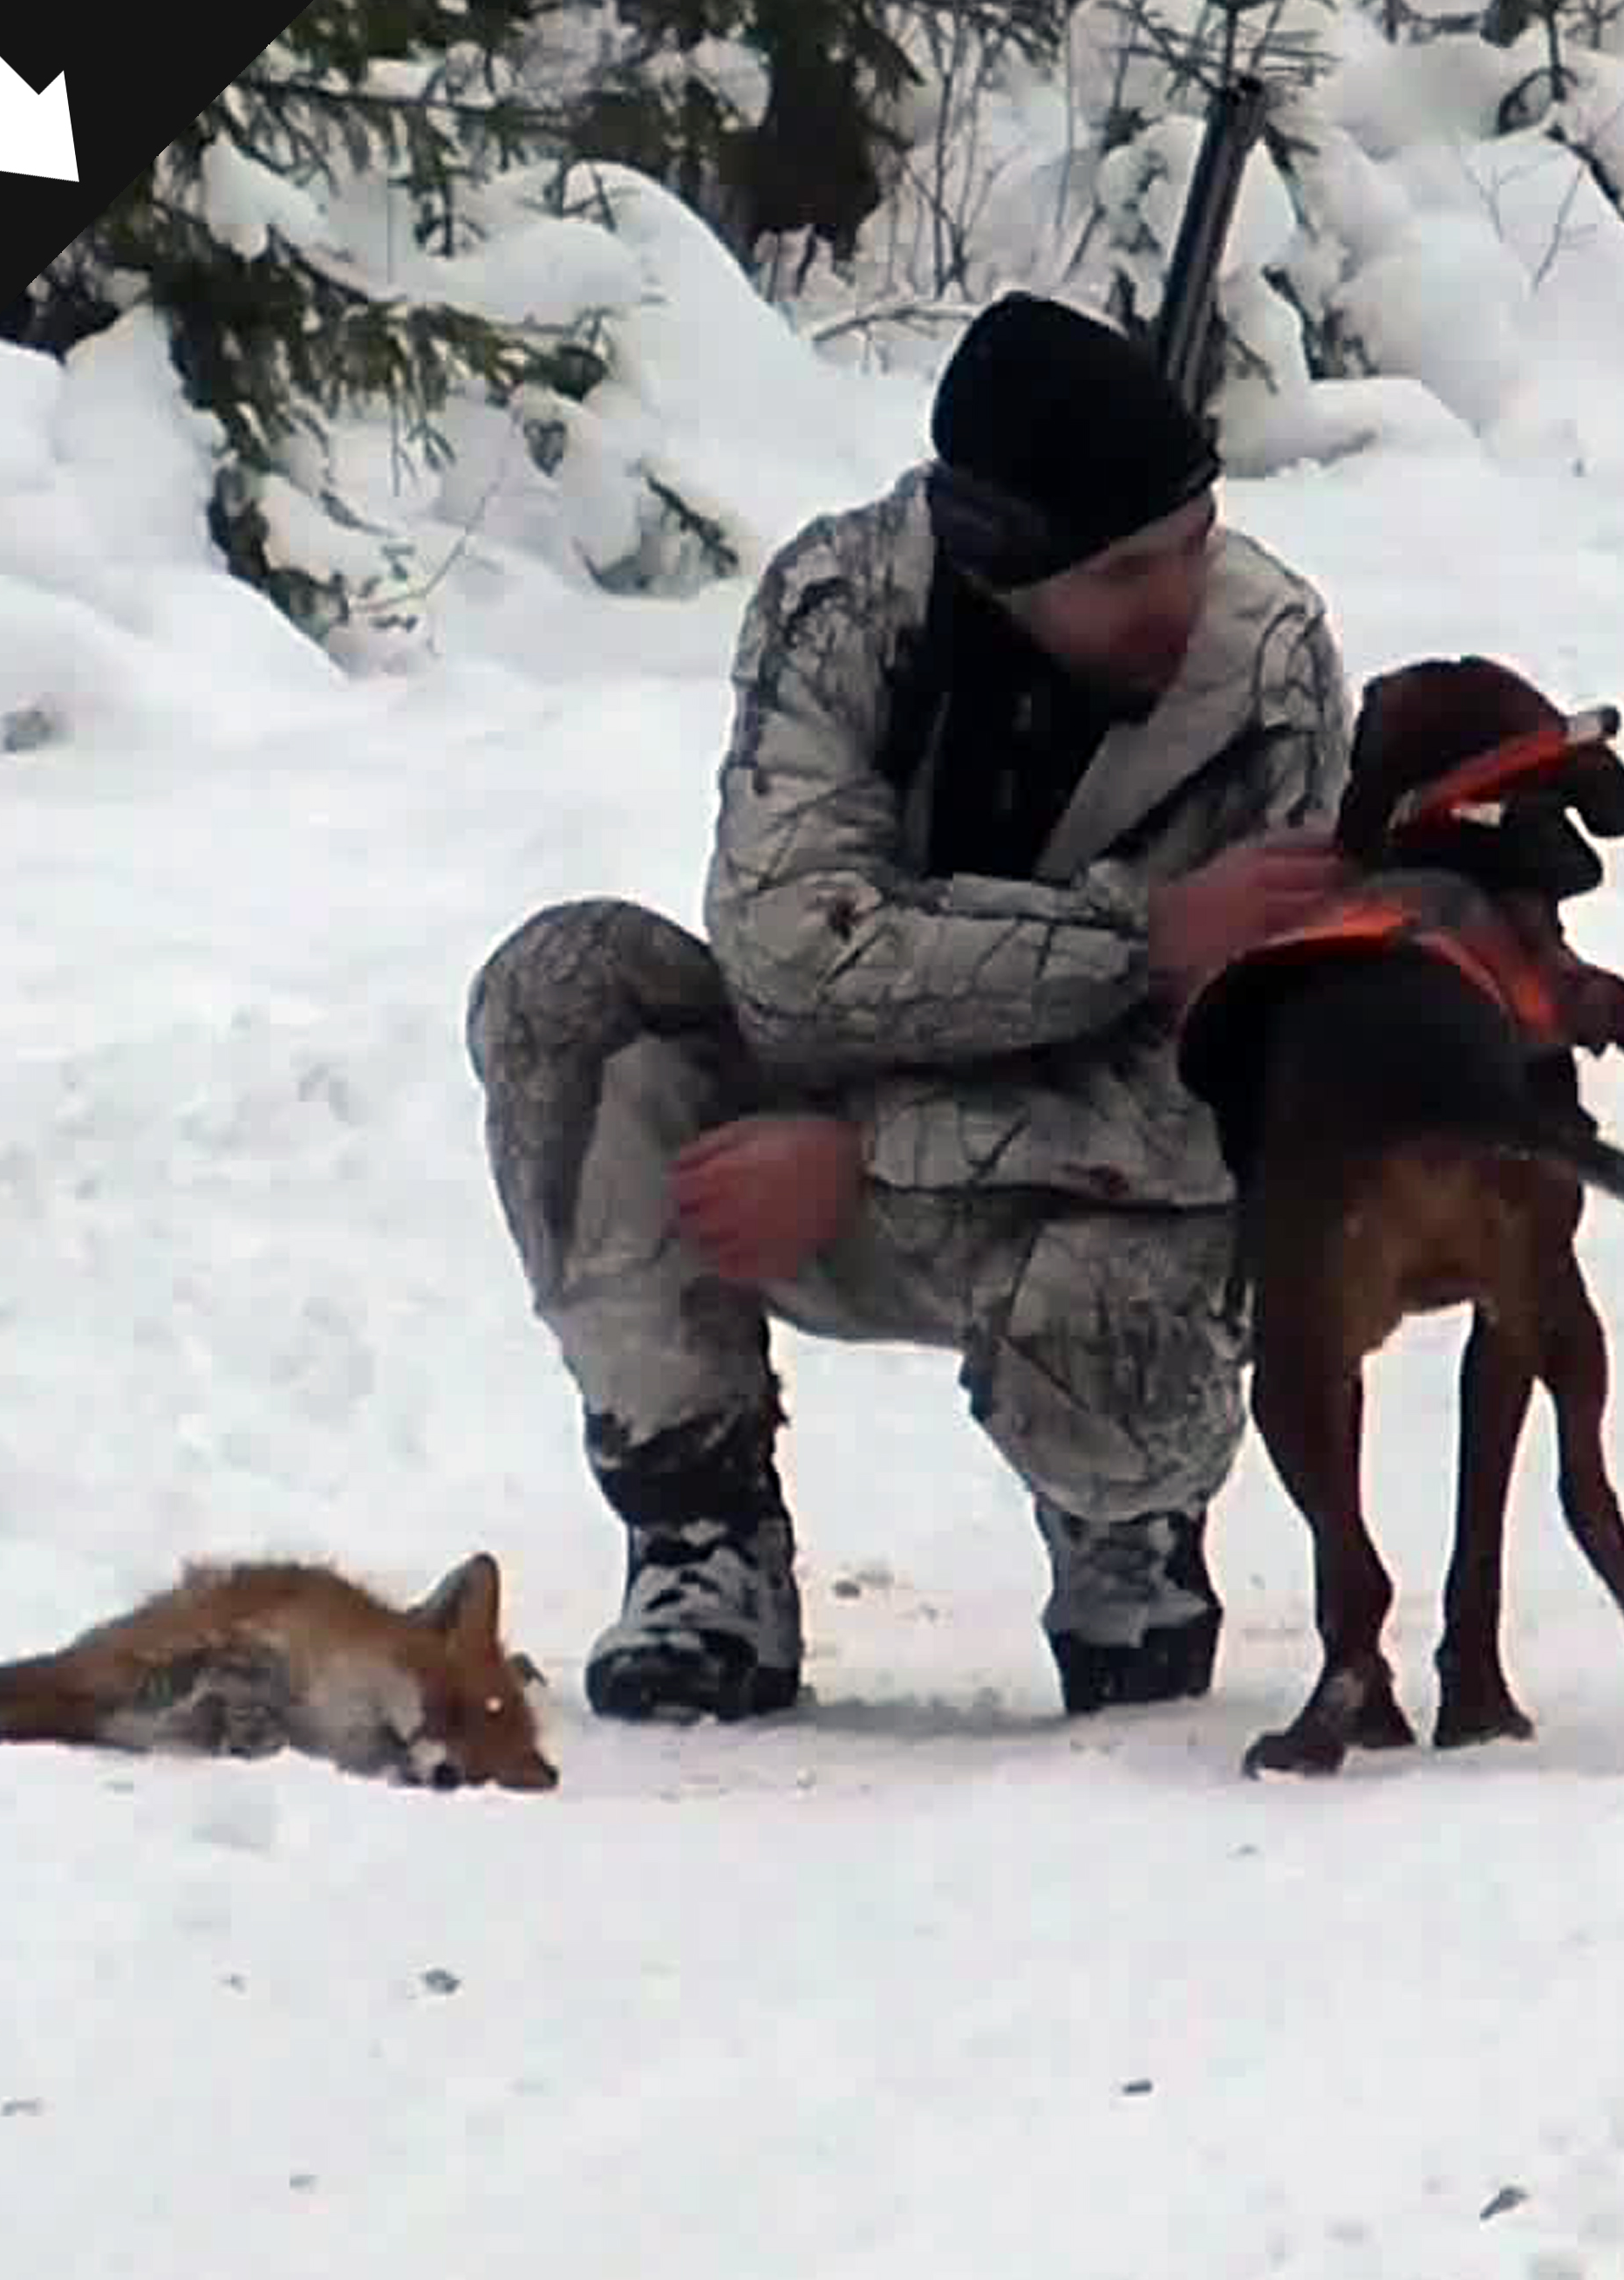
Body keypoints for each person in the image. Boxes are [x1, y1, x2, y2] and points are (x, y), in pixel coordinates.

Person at [468, 290, 1353, 1725]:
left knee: (1149, 1241)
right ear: (1001, 560)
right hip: (785, 1163)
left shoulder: (1268, 675)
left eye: (1197, 541)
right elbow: (788, 963)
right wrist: (1139, 938)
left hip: (1088, 1195)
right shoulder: (846, 603)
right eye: (1128, 569)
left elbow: (1230, 1096)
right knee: (561, 989)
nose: (1182, 597)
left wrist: (866, 1156)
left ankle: (1127, 1531)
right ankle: (701, 1543)